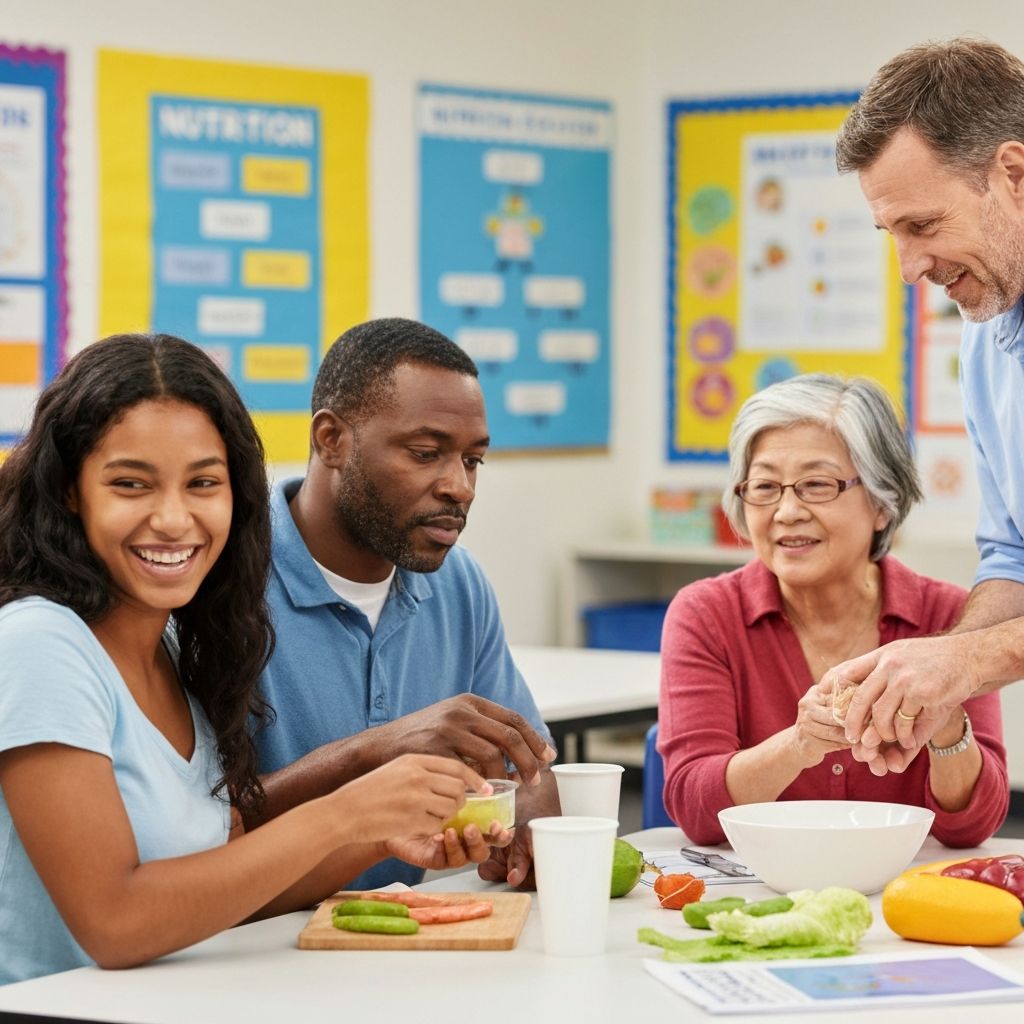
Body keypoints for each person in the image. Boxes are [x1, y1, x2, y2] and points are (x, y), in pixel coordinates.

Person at [0, 333, 495, 985]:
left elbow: (224, 888)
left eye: (203, 482)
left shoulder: (172, 649)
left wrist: (382, 834)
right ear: (71, 492)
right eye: (130, 484)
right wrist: (344, 812)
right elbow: (115, 922)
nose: (175, 519)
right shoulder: (40, 643)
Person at [250, 317, 559, 890]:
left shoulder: (459, 583)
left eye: (472, 460)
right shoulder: (221, 583)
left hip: (413, 943)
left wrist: (528, 826)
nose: (459, 487)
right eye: (425, 453)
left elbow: (530, 768)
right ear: (331, 440)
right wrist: (375, 750)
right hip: (249, 952)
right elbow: (201, 827)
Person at [657, 374, 1007, 847]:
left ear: (883, 502)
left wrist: (946, 720)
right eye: (764, 487)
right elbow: (693, 808)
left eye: (816, 485)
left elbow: (972, 826)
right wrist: (798, 745)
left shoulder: (948, 615)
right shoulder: (705, 614)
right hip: (765, 893)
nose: (786, 512)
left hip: (904, 893)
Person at [830, 37, 1024, 769]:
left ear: (1013, 174)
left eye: (923, 226)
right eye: (890, 233)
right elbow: (1014, 553)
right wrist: (938, 674)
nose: (909, 268)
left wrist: (966, 667)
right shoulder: (986, 336)